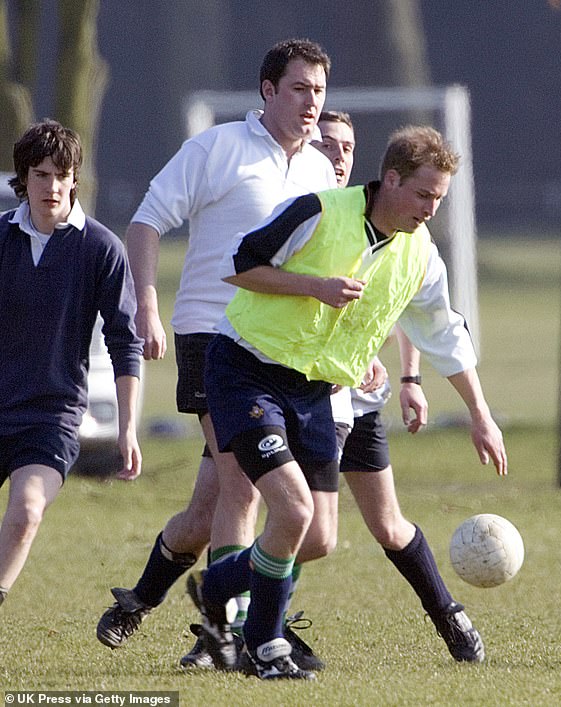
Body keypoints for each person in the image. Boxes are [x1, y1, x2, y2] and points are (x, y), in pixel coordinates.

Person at [187, 124, 507, 680]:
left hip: (315, 390)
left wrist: (481, 415)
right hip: (246, 370)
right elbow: (239, 265)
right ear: (391, 179)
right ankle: (264, 646)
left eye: (440, 199)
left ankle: (218, 584)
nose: (432, 209)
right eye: (424, 194)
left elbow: (444, 334)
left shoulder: (421, 256)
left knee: (317, 538)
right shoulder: (317, 210)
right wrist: (314, 286)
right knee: (292, 510)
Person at [96, 38, 336, 670]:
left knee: (206, 511)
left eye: (318, 90)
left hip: (275, 349)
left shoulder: (318, 170)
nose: (311, 102)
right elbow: (146, 223)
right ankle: (233, 637)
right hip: (212, 338)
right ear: (267, 90)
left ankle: (141, 601)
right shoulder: (217, 148)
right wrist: (145, 304)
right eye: (298, 89)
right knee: (246, 491)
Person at [314, 111, 487, 663]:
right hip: (299, 390)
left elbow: (418, 315)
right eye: (327, 144)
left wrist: (416, 380)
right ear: (390, 179)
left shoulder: (412, 242)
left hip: (357, 396)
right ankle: (239, 620)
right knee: (310, 532)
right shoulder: (317, 214)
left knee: (388, 523)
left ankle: (449, 617)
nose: (338, 155)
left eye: (346, 145)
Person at [0, 119, 143, 608]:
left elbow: (127, 342)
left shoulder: (101, 248)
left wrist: (128, 429)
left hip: (51, 415)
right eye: (41, 175)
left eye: (62, 175)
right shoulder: (1, 238)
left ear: (75, 179)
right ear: (23, 179)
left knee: (27, 510)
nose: (53, 186)